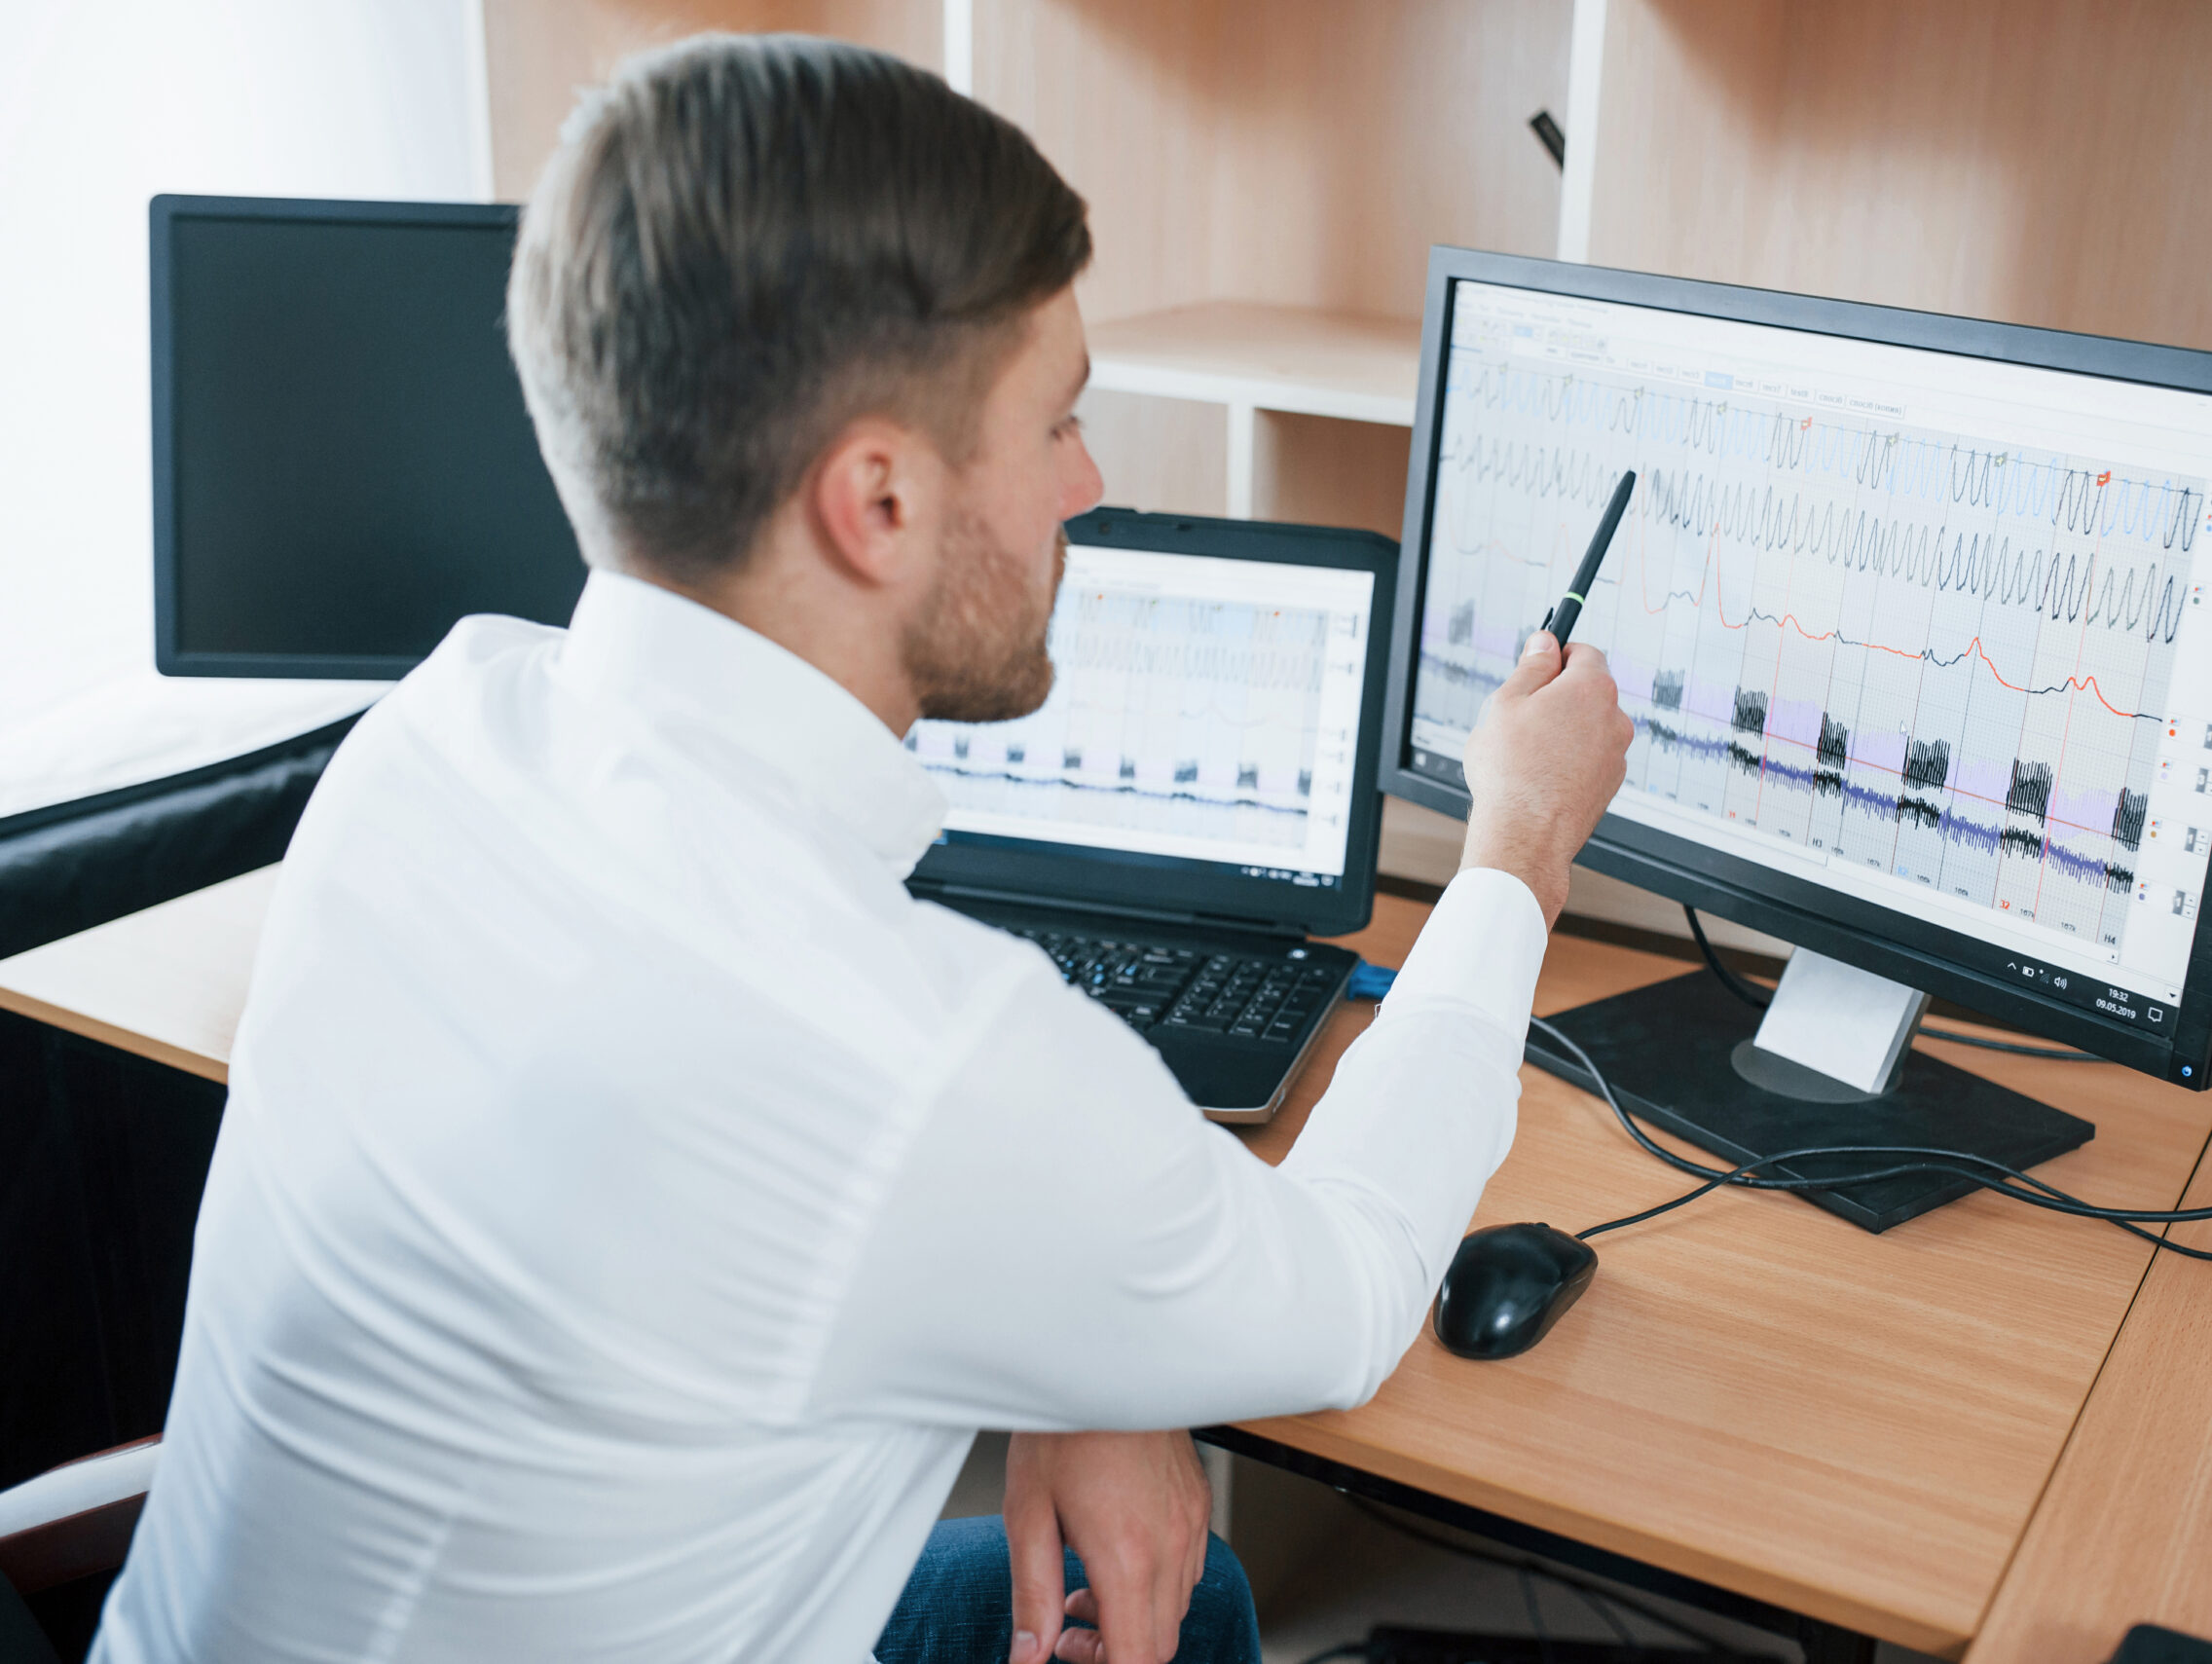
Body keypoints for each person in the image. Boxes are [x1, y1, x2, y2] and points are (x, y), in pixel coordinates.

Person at [93, 32, 1633, 1664]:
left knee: (1184, 1603)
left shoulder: (435, 735)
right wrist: (1515, 851)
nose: (1089, 488)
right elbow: (1337, 1302)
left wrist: (1077, 1338)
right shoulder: (916, 1055)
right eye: (1057, 424)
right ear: (878, 499)